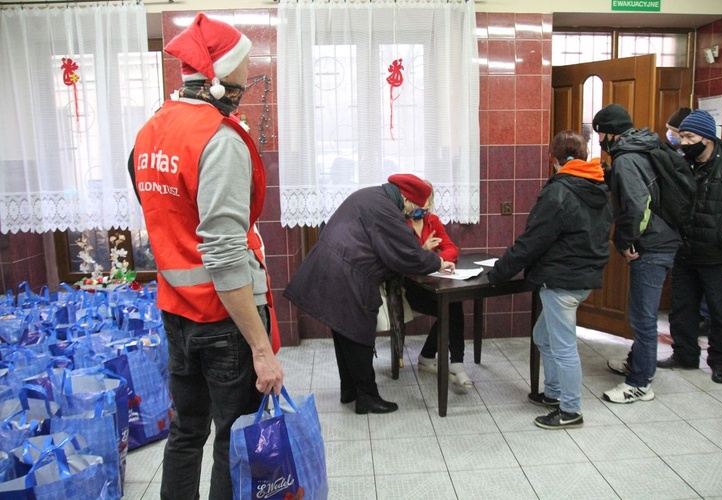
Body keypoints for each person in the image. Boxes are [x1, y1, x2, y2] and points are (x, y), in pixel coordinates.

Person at [131, 13, 284, 500]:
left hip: (176, 311)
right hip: (223, 320)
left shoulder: (152, 130)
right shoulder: (218, 139)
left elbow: (163, 215)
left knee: (186, 431)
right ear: (222, 74)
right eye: (243, 62)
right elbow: (221, 252)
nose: (248, 71)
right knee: (231, 440)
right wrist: (261, 349)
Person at [284, 174, 455, 415]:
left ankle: (350, 390)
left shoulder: (372, 196)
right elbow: (406, 253)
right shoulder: (386, 210)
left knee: (343, 332)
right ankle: (367, 397)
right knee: (359, 335)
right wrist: (437, 262)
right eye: (414, 208)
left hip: (331, 269)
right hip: (348, 275)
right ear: (406, 198)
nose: (412, 213)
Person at [488, 130, 612, 429]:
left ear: (553, 159)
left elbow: (532, 241)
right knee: (543, 337)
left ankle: (571, 410)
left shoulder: (558, 192)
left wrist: (497, 274)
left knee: (564, 346)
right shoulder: (599, 189)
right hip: (583, 277)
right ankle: (554, 394)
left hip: (561, 280)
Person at [592, 104, 683, 405]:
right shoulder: (646, 144)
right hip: (664, 237)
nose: (600, 141)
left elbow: (637, 205)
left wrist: (625, 241)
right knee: (641, 313)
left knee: (642, 318)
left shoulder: (627, 159)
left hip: (652, 244)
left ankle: (640, 383)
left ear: (609, 133)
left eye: (600, 134)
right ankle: (637, 363)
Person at [658, 110, 722, 383]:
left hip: (716, 255)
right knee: (682, 308)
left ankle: (720, 363)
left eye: (689, 137)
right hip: (685, 251)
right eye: (682, 137)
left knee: (720, 313)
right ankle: (685, 355)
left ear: (707, 138)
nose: (684, 142)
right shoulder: (684, 166)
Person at [403, 181, 472, 386]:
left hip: (432, 282)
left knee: (452, 304)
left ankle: (450, 361)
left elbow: (451, 248)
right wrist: (424, 250)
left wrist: (440, 260)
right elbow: (404, 260)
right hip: (408, 286)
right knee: (451, 308)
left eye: (428, 201)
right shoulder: (399, 224)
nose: (424, 207)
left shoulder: (432, 220)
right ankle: (448, 362)